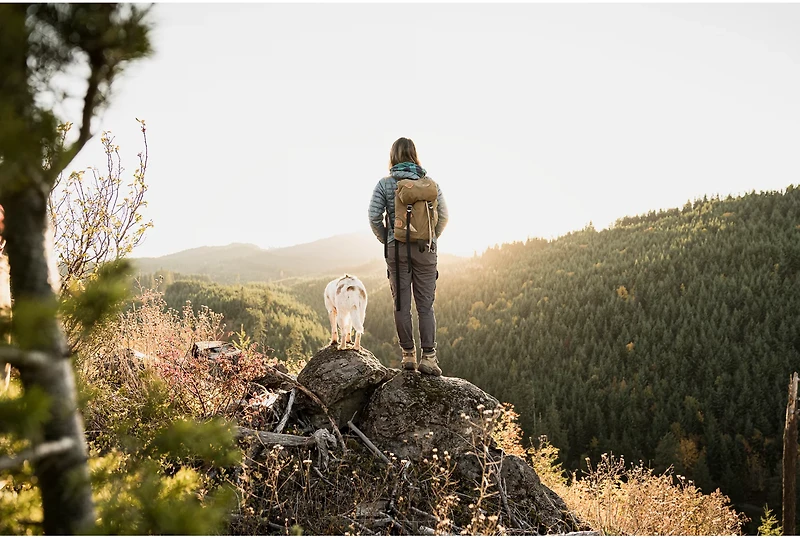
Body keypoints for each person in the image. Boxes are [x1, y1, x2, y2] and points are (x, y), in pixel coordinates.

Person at [368, 137, 448, 375]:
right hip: (425, 250)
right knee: (425, 306)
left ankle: (408, 356)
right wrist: (431, 238)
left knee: (402, 303)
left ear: (393, 157)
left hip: (397, 249)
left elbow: (373, 217)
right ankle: (430, 358)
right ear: (415, 155)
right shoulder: (430, 184)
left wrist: (389, 238)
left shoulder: (384, 184)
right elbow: (443, 216)